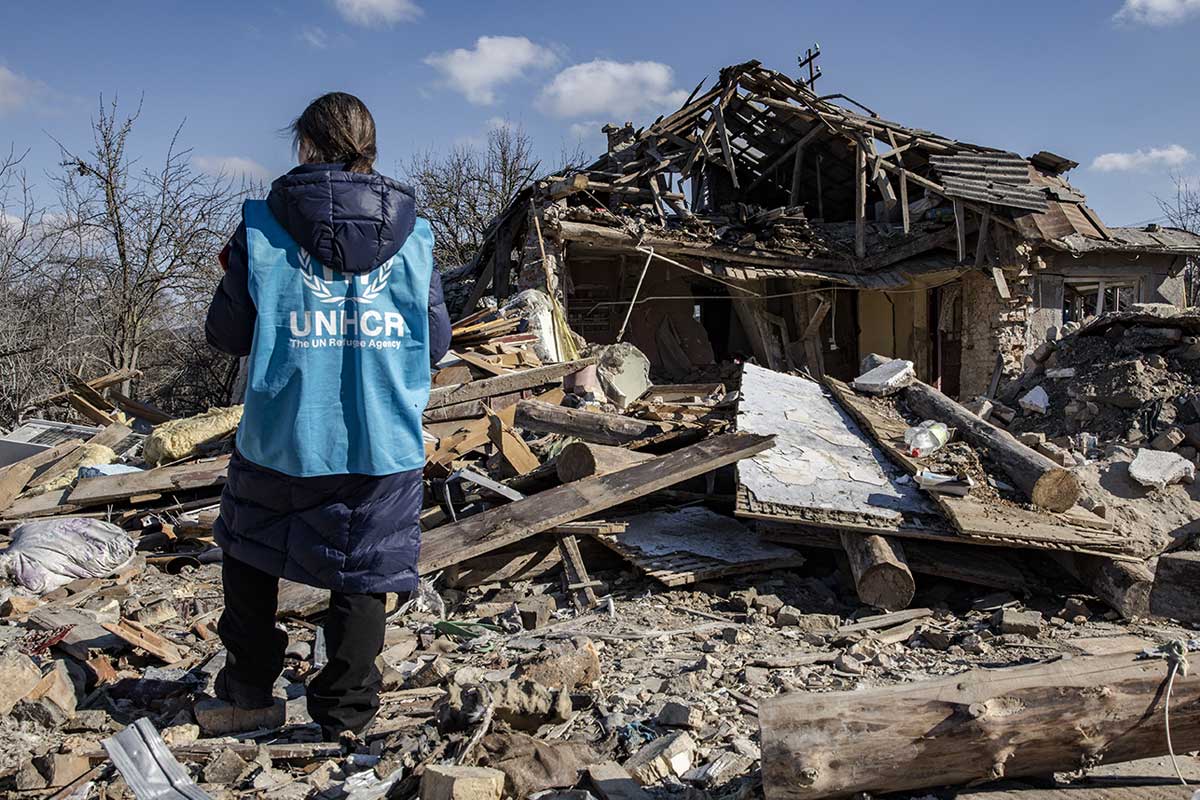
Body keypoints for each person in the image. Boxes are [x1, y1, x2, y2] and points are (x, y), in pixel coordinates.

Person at [204, 92, 451, 739]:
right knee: (363, 568)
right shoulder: (417, 236)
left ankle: (252, 692)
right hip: (382, 433)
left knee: (250, 549)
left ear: (306, 146)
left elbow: (228, 333)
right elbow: (436, 341)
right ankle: (346, 718)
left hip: (282, 432)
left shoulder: (260, 226)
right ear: (369, 149)